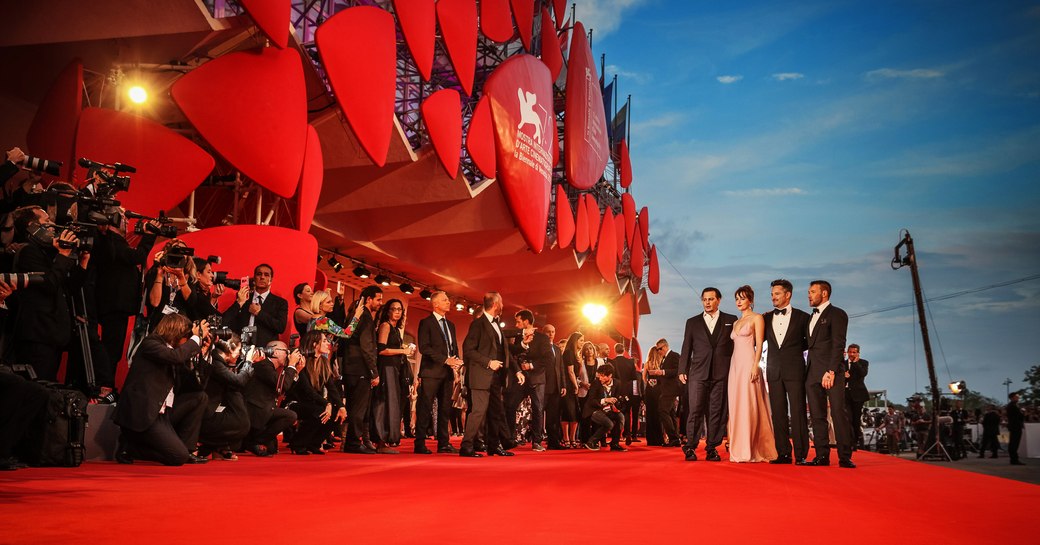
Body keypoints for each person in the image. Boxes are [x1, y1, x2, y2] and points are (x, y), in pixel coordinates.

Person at [112, 313, 210, 466]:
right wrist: (195, 339)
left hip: (162, 412)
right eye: (186, 335)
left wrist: (201, 353)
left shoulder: (175, 352)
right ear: (176, 332)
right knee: (177, 457)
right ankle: (132, 448)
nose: (187, 340)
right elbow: (175, 357)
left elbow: (194, 385)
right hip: (144, 412)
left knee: (200, 397)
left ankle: (187, 449)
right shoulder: (150, 343)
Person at [8, 205, 84, 381]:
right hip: (37, 336)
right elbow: (49, 284)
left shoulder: (48, 253)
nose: (52, 226)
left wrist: (82, 264)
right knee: (36, 389)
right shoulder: (27, 252)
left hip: (51, 336)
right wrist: (63, 254)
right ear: (32, 227)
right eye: (47, 221)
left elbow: (67, 288)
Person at [460, 292, 521, 457]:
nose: (503, 305)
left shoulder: (497, 325)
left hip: (497, 377)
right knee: (478, 411)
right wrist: (488, 362)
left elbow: (505, 352)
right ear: (495, 304)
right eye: (501, 301)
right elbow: (468, 351)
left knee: (496, 411)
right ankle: (466, 447)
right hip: (481, 375)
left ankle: (494, 446)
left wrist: (517, 370)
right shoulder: (478, 325)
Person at [679, 287, 737, 461]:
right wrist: (682, 369)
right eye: (704, 299)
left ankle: (712, 448)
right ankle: (690, 446)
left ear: (718, 300)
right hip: (697, 373)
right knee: (695, 410)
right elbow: (686, 348)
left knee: (716, 412)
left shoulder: (731, 320)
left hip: (721, 373)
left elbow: (735, 347)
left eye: (711, 299)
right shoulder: (692, 322)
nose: (707, 302)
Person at [804, 280, 854, 468]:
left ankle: (845, 457)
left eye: (812, 292)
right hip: (812, 373)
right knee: (817, 416)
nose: (809, 295)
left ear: (824, 293)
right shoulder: (811, 317)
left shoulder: (838, 314)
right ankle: (821, 456)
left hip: (831, 372)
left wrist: (831, 371)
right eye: (809, 292)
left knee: (838, 414)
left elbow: (838, 344)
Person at [762, 279, 810, 465]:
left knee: (798, 412)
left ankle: (801, 454)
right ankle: (783, 453)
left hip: (795, 370)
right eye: (772, 294)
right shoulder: (766, 318)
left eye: (777, 294)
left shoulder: (803, 317)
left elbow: (808, 343)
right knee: (778, 413)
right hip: (774, 371)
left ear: (788, 294)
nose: (773, 297)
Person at [726, 285, 776, 463]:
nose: (739, 301)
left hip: (749, 363)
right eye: (737, 298)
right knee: (736, 404)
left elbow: (760, 344)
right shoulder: (735, 323)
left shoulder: (757, 318)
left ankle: (752, 447)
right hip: (735, 366)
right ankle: (739, 446)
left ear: (751, 300)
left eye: (743, 298)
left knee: (750, 404)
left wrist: (756, 366)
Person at [414, 290, 463, 454]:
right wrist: (445, 359)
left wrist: (456, 363)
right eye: (445, 300)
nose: (449, 302)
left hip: (448, 373)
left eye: (448, 300)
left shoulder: (451, 325)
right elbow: (424, 347)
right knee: (425, 407)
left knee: (445, 409)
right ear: (435, 304)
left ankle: (444, 443)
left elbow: (453, 347)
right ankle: (419, 443)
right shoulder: (426, 322)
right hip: (430, 372)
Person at [286, 331, 345, 455]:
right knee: (319, 412)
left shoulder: (323, 362)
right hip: (295, 402)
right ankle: (298, 443)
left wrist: (341, 406)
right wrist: (327, 404)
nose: (328, 343)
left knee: (335, 414)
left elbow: (331, 387)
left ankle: (313, 443)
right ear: (314, 344)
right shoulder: (302, 361)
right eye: (324, 341)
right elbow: (307, 390)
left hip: (313, 403)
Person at [340, 285, 382, 454]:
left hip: (350, 367)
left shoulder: (356, 315)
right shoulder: (364, 317)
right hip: (360, 369)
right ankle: (353, 443)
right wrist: (374, 371)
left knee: (352, 406)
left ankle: (350, 442)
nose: (380, 303)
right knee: (358, 408)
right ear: (368, 299)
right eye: (378, 299)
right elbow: (367, 347)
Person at [240, 339, 301, 457]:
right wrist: (292, 366)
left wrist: (296, 371)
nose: (288, 355)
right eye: (286, 351)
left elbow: (284, 389)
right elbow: (282, 385)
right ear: (275, 352)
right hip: (256, 410)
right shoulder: (263, 364)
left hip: (264, 409)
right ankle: (253, 441)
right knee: (290, 416)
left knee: (271, 449)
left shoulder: (269, 367)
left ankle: (253, 440)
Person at [197, 334, 252, 460]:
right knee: (241, 424)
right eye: (239, 350)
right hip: (205, 414)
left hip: (214, 409)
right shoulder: (215, 362)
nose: (240, 354)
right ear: (230, 349)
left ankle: (216, 446)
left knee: (242, 422)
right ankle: (209, 445)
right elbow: (238, 382)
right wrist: (248, 362)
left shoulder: (219, 361)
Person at [505, 309, 553, 451]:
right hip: (521, 379)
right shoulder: (518, 338)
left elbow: (549, 359)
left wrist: (531, 365)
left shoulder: (542, 338)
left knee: (537, 409)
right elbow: (513, 353)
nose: (516, 324)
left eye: (518, 321)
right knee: (510, 405)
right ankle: (510, 438)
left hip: (537, 378)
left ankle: (536, 441)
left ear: (526, 322)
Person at [371, 299, 412, 454]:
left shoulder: (395, 328)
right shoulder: (385, 326)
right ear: (387, 311)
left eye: (399, 309)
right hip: (386, 368)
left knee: (392, 404)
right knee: (384, 403)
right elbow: (381, 350)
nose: (397, 312)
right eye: (394, 309)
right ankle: (380, 440)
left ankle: (388, 438)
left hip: (395, 369)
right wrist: (402, 351)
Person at [221, 263, 288, 348]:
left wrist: (259, 313)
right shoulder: (244, 298)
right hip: (241, 346)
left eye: (266, 275)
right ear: (254, 279)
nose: (262, 277)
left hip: (265, 348)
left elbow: (280, 327)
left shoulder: (280, 302)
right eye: (259, 274)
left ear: (271, 279)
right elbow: (233, 321)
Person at [144, 239, 199, 332]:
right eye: (175, 251)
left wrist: (181, 277)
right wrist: (160, 275)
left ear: (187, 257)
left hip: (181, 327)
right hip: (158, 325)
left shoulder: (190, 277)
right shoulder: (156, 272)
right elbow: (154, 302)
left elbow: (191, 302)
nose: (179, 255)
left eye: (182, 251)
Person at [582, 363, 627, 451]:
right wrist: (605, 400)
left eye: (603, 376)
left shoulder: (617, 383)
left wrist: (615, 402)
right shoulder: (596, 383)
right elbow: (591, 400)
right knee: (609, 423)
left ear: (610, 376)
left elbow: (619, 398)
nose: (600, 378)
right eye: (599, 376)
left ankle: (615, 444)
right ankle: (591, 442)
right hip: (594, 410)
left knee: (620, 416)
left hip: (608, 410)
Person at [541, 324, 567, 450]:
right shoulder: (539, 348)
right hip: (543, 385)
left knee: (554, 416)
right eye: (548, 332)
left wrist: (563, 385)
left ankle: (553, 442)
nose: (551, 334)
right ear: (543, 333)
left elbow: (561, 368)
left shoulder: (557, 349)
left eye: (553, 331)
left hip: (556, 387)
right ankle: (537, 440)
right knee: (539, 414)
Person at [611, 342, 642, 446]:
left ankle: (618, 434)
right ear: (624, 350)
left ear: (615, 350)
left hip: (616, 390)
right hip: (628, 391)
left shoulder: (612, 362)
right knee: (627, 412)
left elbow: (612, 377)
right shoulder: (630, 362)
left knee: (616, 412)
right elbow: (634, 378)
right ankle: (628, 434)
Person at [560, 331, 584, 448]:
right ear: (575, 341)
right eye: (581, 340)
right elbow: (570, 372)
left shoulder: (575, 354)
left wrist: (580, 363)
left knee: (575, 413)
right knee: (567, 412)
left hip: (573, 384)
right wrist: (575, 386)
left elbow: (577, 373)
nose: (582, 343)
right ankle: (566, 438)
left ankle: (573, 438)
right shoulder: (568, 352)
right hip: (568, 386)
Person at [844, 344, 869, 450]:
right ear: (847, 352)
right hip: (845, 394)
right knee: (847, 418)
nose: (852, 354)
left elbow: (863, 374)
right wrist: (843, 376)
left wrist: (855, 363)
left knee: (855, 419)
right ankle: (849, 442)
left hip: (858, 395)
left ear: (858, 353)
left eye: (854, 352)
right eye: (850, 352)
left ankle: (855, 442)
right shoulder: (842, 363)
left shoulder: (863, 362)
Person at [642, 346, 664, 446]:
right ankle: (660, 439)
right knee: (659, 415)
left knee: (650, 415)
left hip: (650, 391)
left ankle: (651, 440)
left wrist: (650, 383)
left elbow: (643, 379)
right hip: (659, 391)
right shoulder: (661, 364)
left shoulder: (647, 364)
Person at [1007, 393, 1025, 465]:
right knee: (1014, 443)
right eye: (1016, 397)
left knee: (1013, 443)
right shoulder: (1013, 406)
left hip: (1014, 426)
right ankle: (1014, 459)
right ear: (1012, 398)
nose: (1018, 398)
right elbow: (1019, 416)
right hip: (1015, 426)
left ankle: (1013, 459)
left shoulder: (1012, 406)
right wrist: (1023, 412)